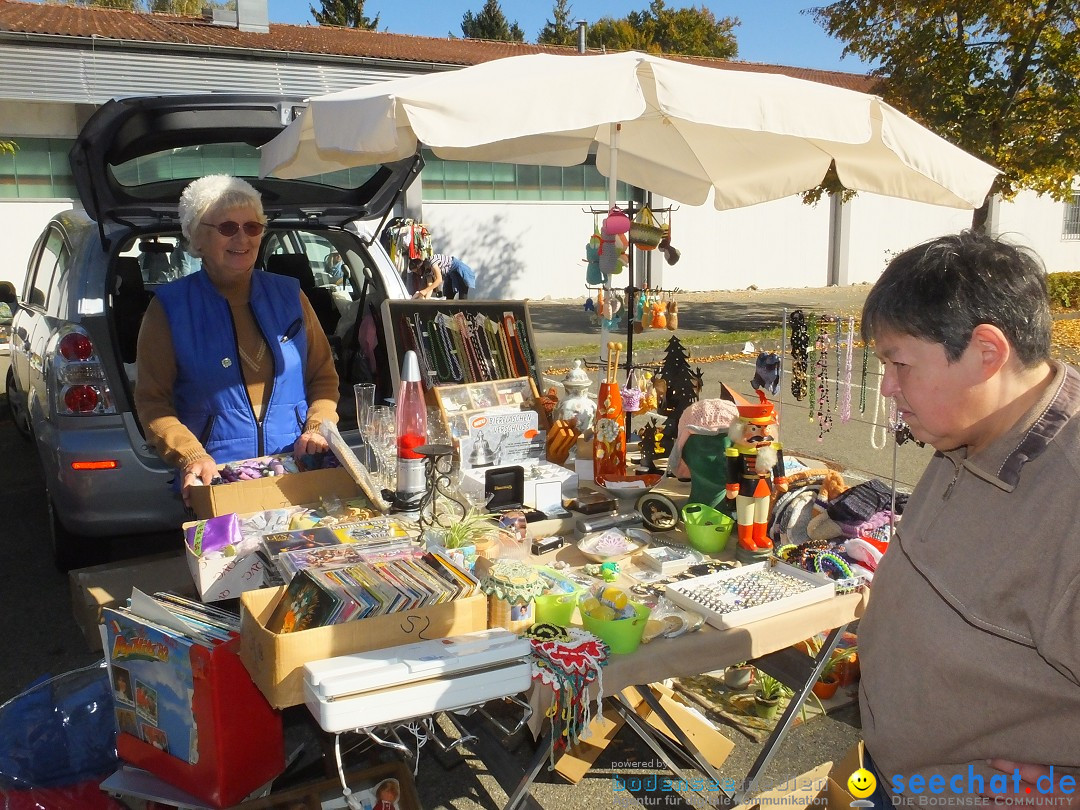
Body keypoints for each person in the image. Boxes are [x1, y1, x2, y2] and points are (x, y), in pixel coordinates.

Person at [857, 230, 1079, 807]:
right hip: (897, 780)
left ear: (986, 353)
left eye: (898, 363)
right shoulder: (974, 423)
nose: (888, 387)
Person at [134, 175, 339, 505]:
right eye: (228, 227)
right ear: (197, 238)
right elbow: (152, 402)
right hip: (217, 479)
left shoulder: (291, 295)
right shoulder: (169, 308)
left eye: (253, 227)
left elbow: (323, 378)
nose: (242, 237)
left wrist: (318, 427)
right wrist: (189, 455)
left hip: (296, 472)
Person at [408, 253, 476, 299]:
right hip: (450, 275)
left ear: (420, 266)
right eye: (416, 273)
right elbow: (430, 286)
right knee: (448, 297)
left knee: (462, 298)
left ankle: (464, 317)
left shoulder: (432, 261)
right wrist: (425, 300)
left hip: (458, 271)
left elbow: (439, 280)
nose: (418, 273)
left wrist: (425, 291)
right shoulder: (427, 271)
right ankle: (450, 318)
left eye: (417, 271)